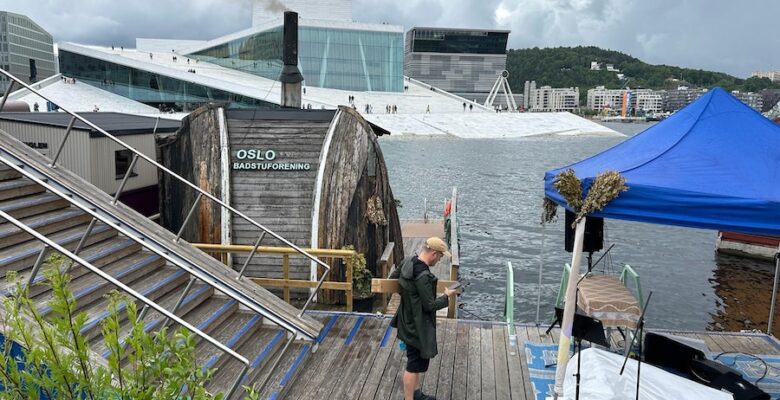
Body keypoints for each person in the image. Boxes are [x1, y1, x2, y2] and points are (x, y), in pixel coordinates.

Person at [390, 237, 457, 400]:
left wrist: (409, 297)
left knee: (416, 360)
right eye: (440, 257)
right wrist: (446, 297)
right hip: (417, 326)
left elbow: (393, 279)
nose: (440, 260)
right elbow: (430, 305)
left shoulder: (408, 261)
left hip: (407, 320)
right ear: (434, 253)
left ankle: (417, 393)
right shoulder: (423, 276)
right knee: (412, 365)